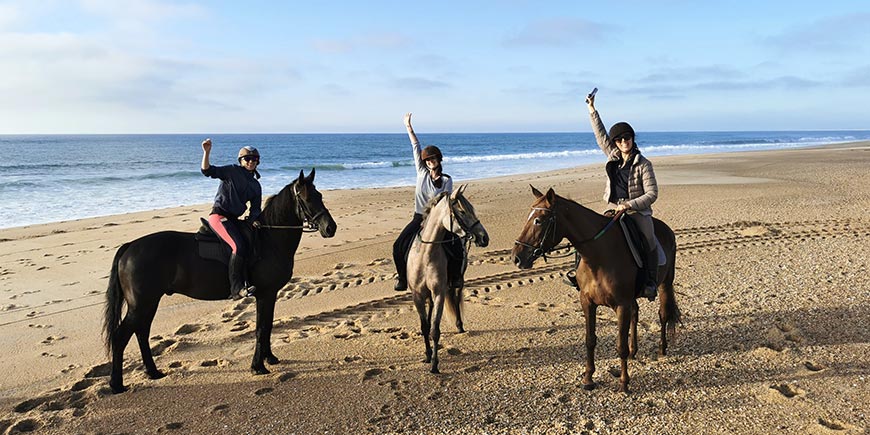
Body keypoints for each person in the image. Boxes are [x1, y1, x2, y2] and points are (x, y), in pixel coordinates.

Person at [586, 91, 659, 300]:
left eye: (627, 138)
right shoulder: (613, 156)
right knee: (591, 236)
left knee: (649, 240)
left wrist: (629, 205)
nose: (623, 142)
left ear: (632, 139)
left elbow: (653, 193)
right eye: (619, 140)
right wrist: (592, 109)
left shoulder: (644, 164)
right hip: (614, 208)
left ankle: (650, 282)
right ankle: (579, 275)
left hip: (637, 212)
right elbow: (600, 135)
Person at [392, 113, 465, 291]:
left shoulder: (447, 180)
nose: (430, 162)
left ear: (439, 160)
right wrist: (408, 127)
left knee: (457, 247)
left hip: (437, 221)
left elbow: (445, 203)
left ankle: (455, 277)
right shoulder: (421, 173)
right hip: (418, 218)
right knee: (398, 246)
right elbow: (415, 147)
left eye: (433, 159)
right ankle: (402, 278)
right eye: (428, 160)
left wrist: (434, 219)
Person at [201, 138, 262, 300]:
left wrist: (254, 220)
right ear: (241, 161)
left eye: (254, 159)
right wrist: (206, 153)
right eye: (247, 159)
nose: (250, 162)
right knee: (238, 245)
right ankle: (236, 288)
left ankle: (250, 279)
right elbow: (207, 171)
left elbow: (255, 209)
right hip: (218, 216)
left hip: (234, 219)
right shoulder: (231, 171)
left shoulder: (256, 185)